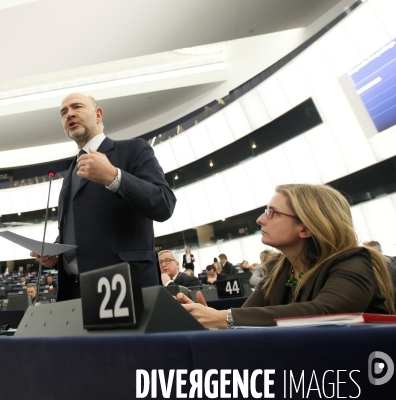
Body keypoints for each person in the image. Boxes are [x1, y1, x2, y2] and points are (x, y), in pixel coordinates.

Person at [177, 184, 396, 328]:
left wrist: (223, 317)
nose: (260, 219)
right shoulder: (281, 272)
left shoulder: (353, 261)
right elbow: (247, 318)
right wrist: (207, 316)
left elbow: (327, 313)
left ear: (306, 228)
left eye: (272, 212)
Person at [30, 93, 176, 301]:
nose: (69, 114)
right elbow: (81, 227)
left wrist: (114, 176)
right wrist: (56, 251)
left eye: (77, 107)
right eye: (63, 112)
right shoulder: (69, 175)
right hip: (74, 293)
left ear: (98, 115)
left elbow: (164, 204)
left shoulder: (133, 150)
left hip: (124, 287)